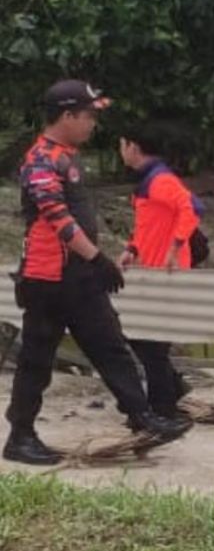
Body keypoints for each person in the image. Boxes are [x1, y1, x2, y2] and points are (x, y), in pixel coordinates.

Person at [3, 80, 192, 465]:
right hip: (49, 278)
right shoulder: (41, 160)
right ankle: (21, 436)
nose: (93, 123)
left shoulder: (67, 156)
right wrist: (97, 260)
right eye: (88, 115)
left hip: (76, 276)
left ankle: (141, 417)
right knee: (38, 359)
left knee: (109, 345)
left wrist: (93, 263)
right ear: (67, 115)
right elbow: (57, 218)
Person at [118, 124, 203, 418]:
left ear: (133, 147)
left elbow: (192, 209)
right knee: (142, 337)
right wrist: (132, 249)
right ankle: (171, 391)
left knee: (150, 342)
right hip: (150, 270)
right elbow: (149, 224)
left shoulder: (160, 180)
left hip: (166, 274)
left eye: (122, 145)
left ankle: (163, 408)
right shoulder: (149, 180)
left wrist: (175, 247)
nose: (121, 152)